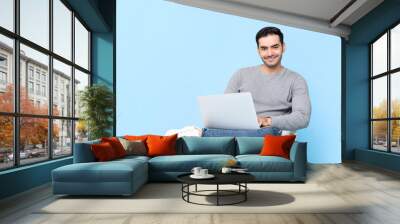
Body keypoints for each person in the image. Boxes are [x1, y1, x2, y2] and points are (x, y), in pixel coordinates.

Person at [202, 26, 311, 137]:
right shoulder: (241, 74)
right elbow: (224, 110)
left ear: (283, 47)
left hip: (272, 133)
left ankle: (202, 134)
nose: (269, 53)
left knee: (269, 132)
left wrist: (267, 121)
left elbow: (302, 117)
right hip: (241, 132)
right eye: (264, 48)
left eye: (275, 47)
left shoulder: (296, 80)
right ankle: (205, 134)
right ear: (258, 51)